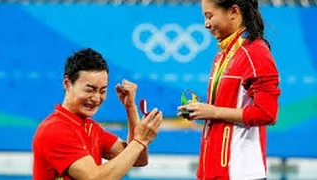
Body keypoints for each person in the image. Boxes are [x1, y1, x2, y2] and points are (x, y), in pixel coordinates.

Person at [177, 0, 281, 179]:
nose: (206, 24)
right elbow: (227, 106)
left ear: (233, 11)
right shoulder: (222, 55)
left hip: (240, 172)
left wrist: (214, 111)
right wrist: (202, 111)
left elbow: (267, 113)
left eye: (210, 16)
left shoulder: (255, 53)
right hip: (212, 170)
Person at [33, 48, 163, 180]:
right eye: (90, 90)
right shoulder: (54, 130)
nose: (96, 98)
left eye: (102, 91)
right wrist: (140, 140)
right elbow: (95, 178)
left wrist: (130, 107)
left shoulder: (91, 128)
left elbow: (138, 159)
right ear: (67, 84)